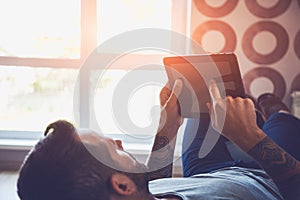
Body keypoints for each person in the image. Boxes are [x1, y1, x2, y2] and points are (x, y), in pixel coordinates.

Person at [17, 80, 300, 200]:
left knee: (203, 106)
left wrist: (167, 131)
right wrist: (251, 139)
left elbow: (151, 187)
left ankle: (263, 110)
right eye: (110, 147)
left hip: (204, 178)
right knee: (282, 123)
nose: (118, 142)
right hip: (266, 177)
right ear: (122, 184)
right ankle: (274, 108)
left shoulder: (124, 193)